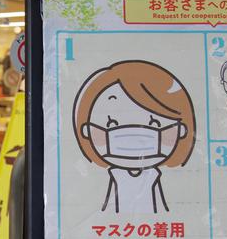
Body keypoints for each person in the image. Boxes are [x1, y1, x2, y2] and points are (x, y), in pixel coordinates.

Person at [73, 60, 196, 215]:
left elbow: (162, 212)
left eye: (155, 124)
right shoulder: (115, 176)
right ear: (86, 130)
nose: (133, 137)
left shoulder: (153, 176)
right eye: (111, 124)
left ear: (182, 130)